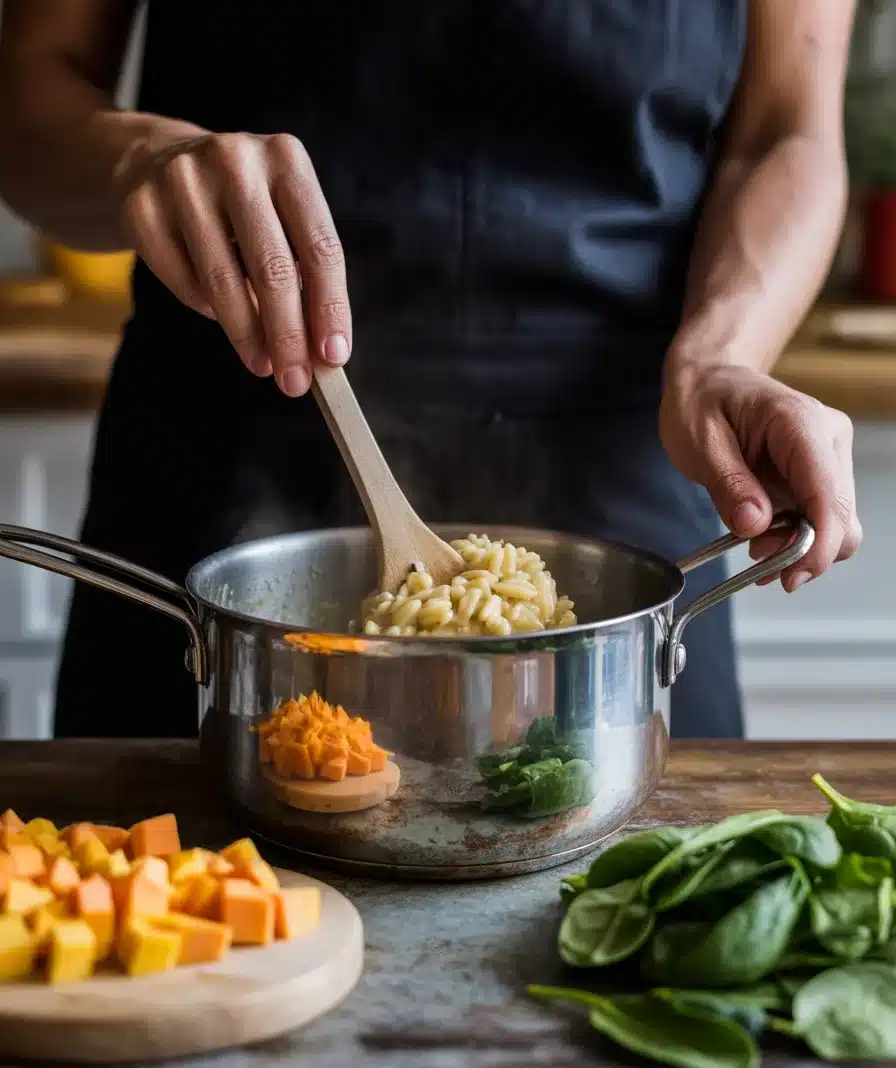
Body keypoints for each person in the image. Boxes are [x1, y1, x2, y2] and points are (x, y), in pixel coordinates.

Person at [0, 0, 861, 740]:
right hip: (226, 447)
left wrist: (723, 353)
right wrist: (137, 157)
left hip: (626, 464)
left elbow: (787, 131)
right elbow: (31, 93)